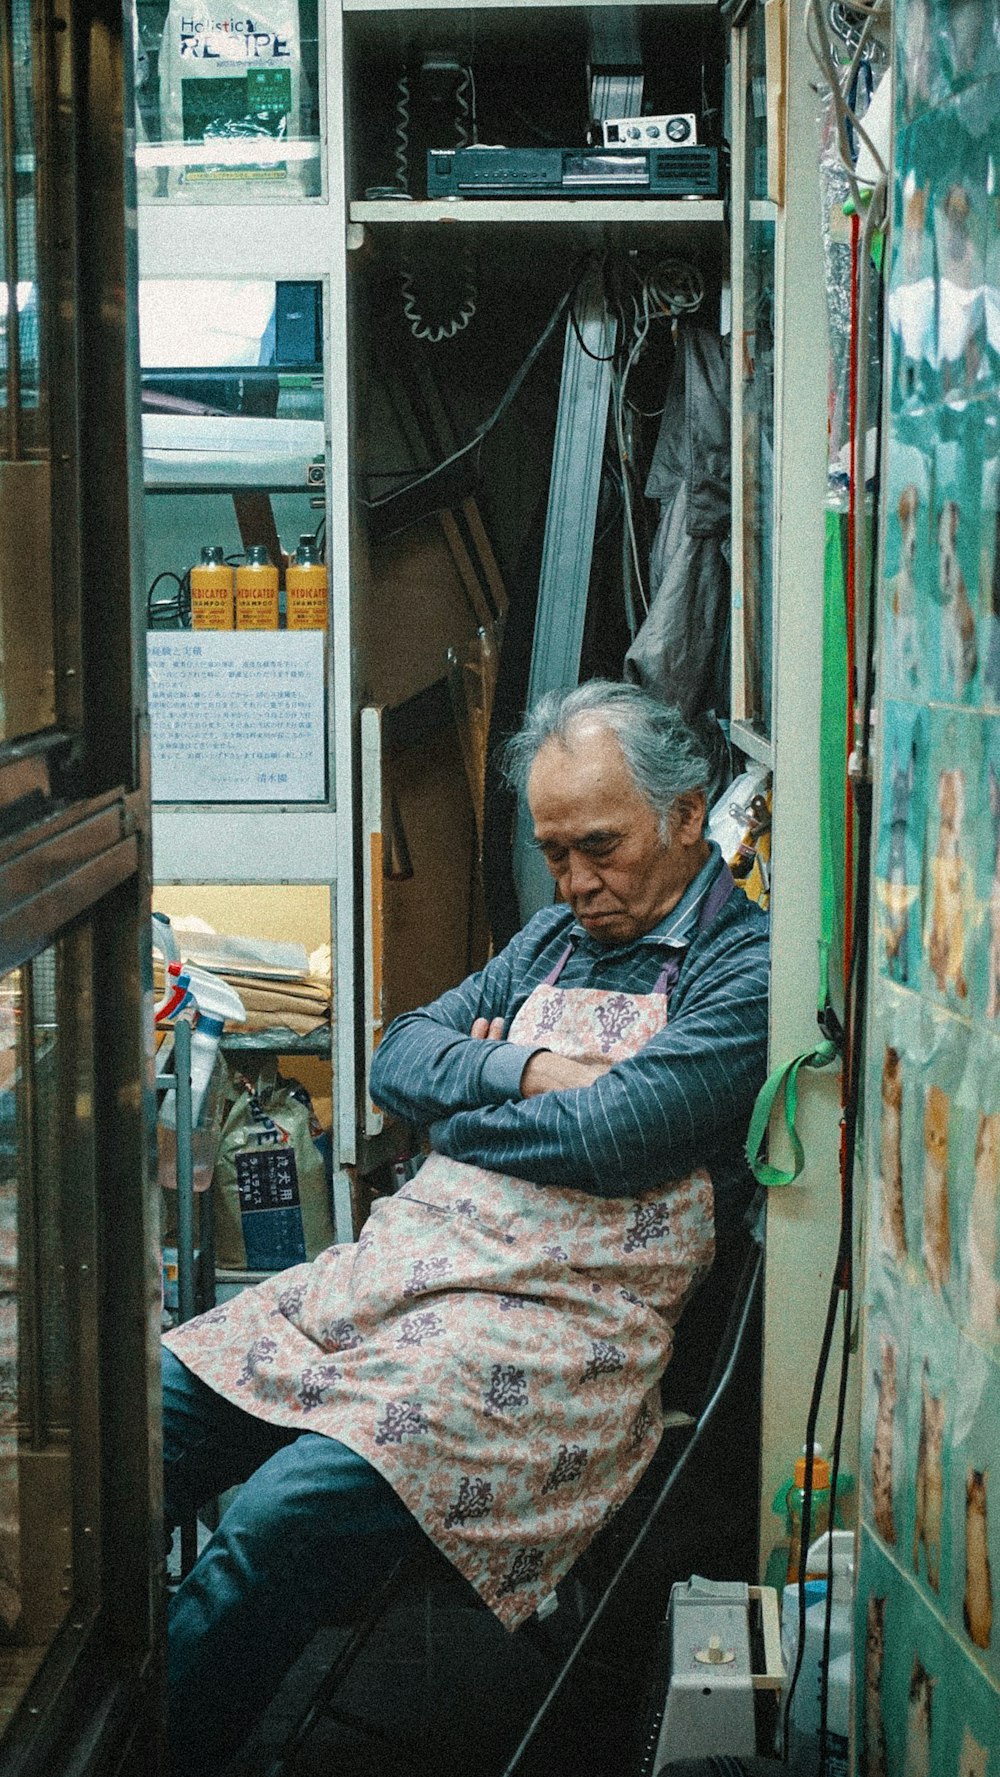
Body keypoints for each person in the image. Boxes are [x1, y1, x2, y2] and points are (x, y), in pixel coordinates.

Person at [161, 680, 770, 1777]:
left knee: (276, 1521)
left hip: (545, 1337)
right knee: (142, 1421)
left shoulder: (745, 969)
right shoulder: (550, 940)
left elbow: (617, 1135)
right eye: (554, 851)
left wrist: (468, 1104)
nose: (575, 882)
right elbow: (399, 1054)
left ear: (687, 816)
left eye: (601, 846)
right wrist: (532, 1068)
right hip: (399, 1279)